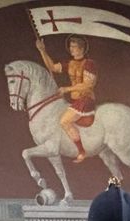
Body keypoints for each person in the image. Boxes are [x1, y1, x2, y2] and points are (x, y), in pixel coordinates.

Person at [36, 35, 97, 163]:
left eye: (74, 47)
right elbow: (52, 67)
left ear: (82, 48)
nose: (71, 49)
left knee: (64, 121)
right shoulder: (70, 63)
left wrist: (66, 89)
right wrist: (42, 51)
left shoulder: (89, 64)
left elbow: (88, 85)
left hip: (86, 99)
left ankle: (81, 151)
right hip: (76, 101)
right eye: (70, 47)